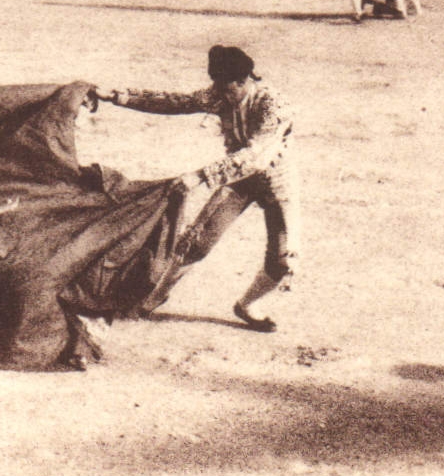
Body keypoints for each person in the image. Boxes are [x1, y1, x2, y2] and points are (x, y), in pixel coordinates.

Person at [90, 45, 299, 333]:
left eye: (227, 89)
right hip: (237, 180)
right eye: (218, 88)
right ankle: (149, 300)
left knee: (283, 256)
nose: (222, 95)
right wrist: (116, 97)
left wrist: (200, 176)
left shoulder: (274, 105)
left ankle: (248, 305)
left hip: (276, 179)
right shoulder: (222, 92)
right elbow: (175, 102)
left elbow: (255, 157)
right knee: (196, 242)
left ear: (243, 81)